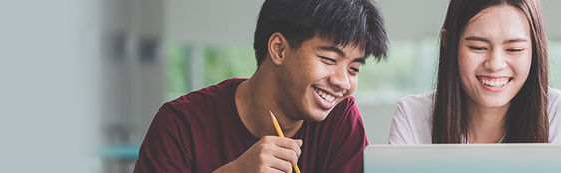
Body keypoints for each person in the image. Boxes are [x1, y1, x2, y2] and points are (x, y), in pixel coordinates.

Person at [132, 0, 387, 172]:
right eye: (329, 60)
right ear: (279, 49)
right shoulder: (180, 124)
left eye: (354, 69)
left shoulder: (341, 120)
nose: (342, 82)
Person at [387, 0, 561, 144]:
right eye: (478, 47)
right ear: (448, 43)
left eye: (514, 49)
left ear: (536, 49)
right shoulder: (412, 115)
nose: (495, 64)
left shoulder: (553, 110)